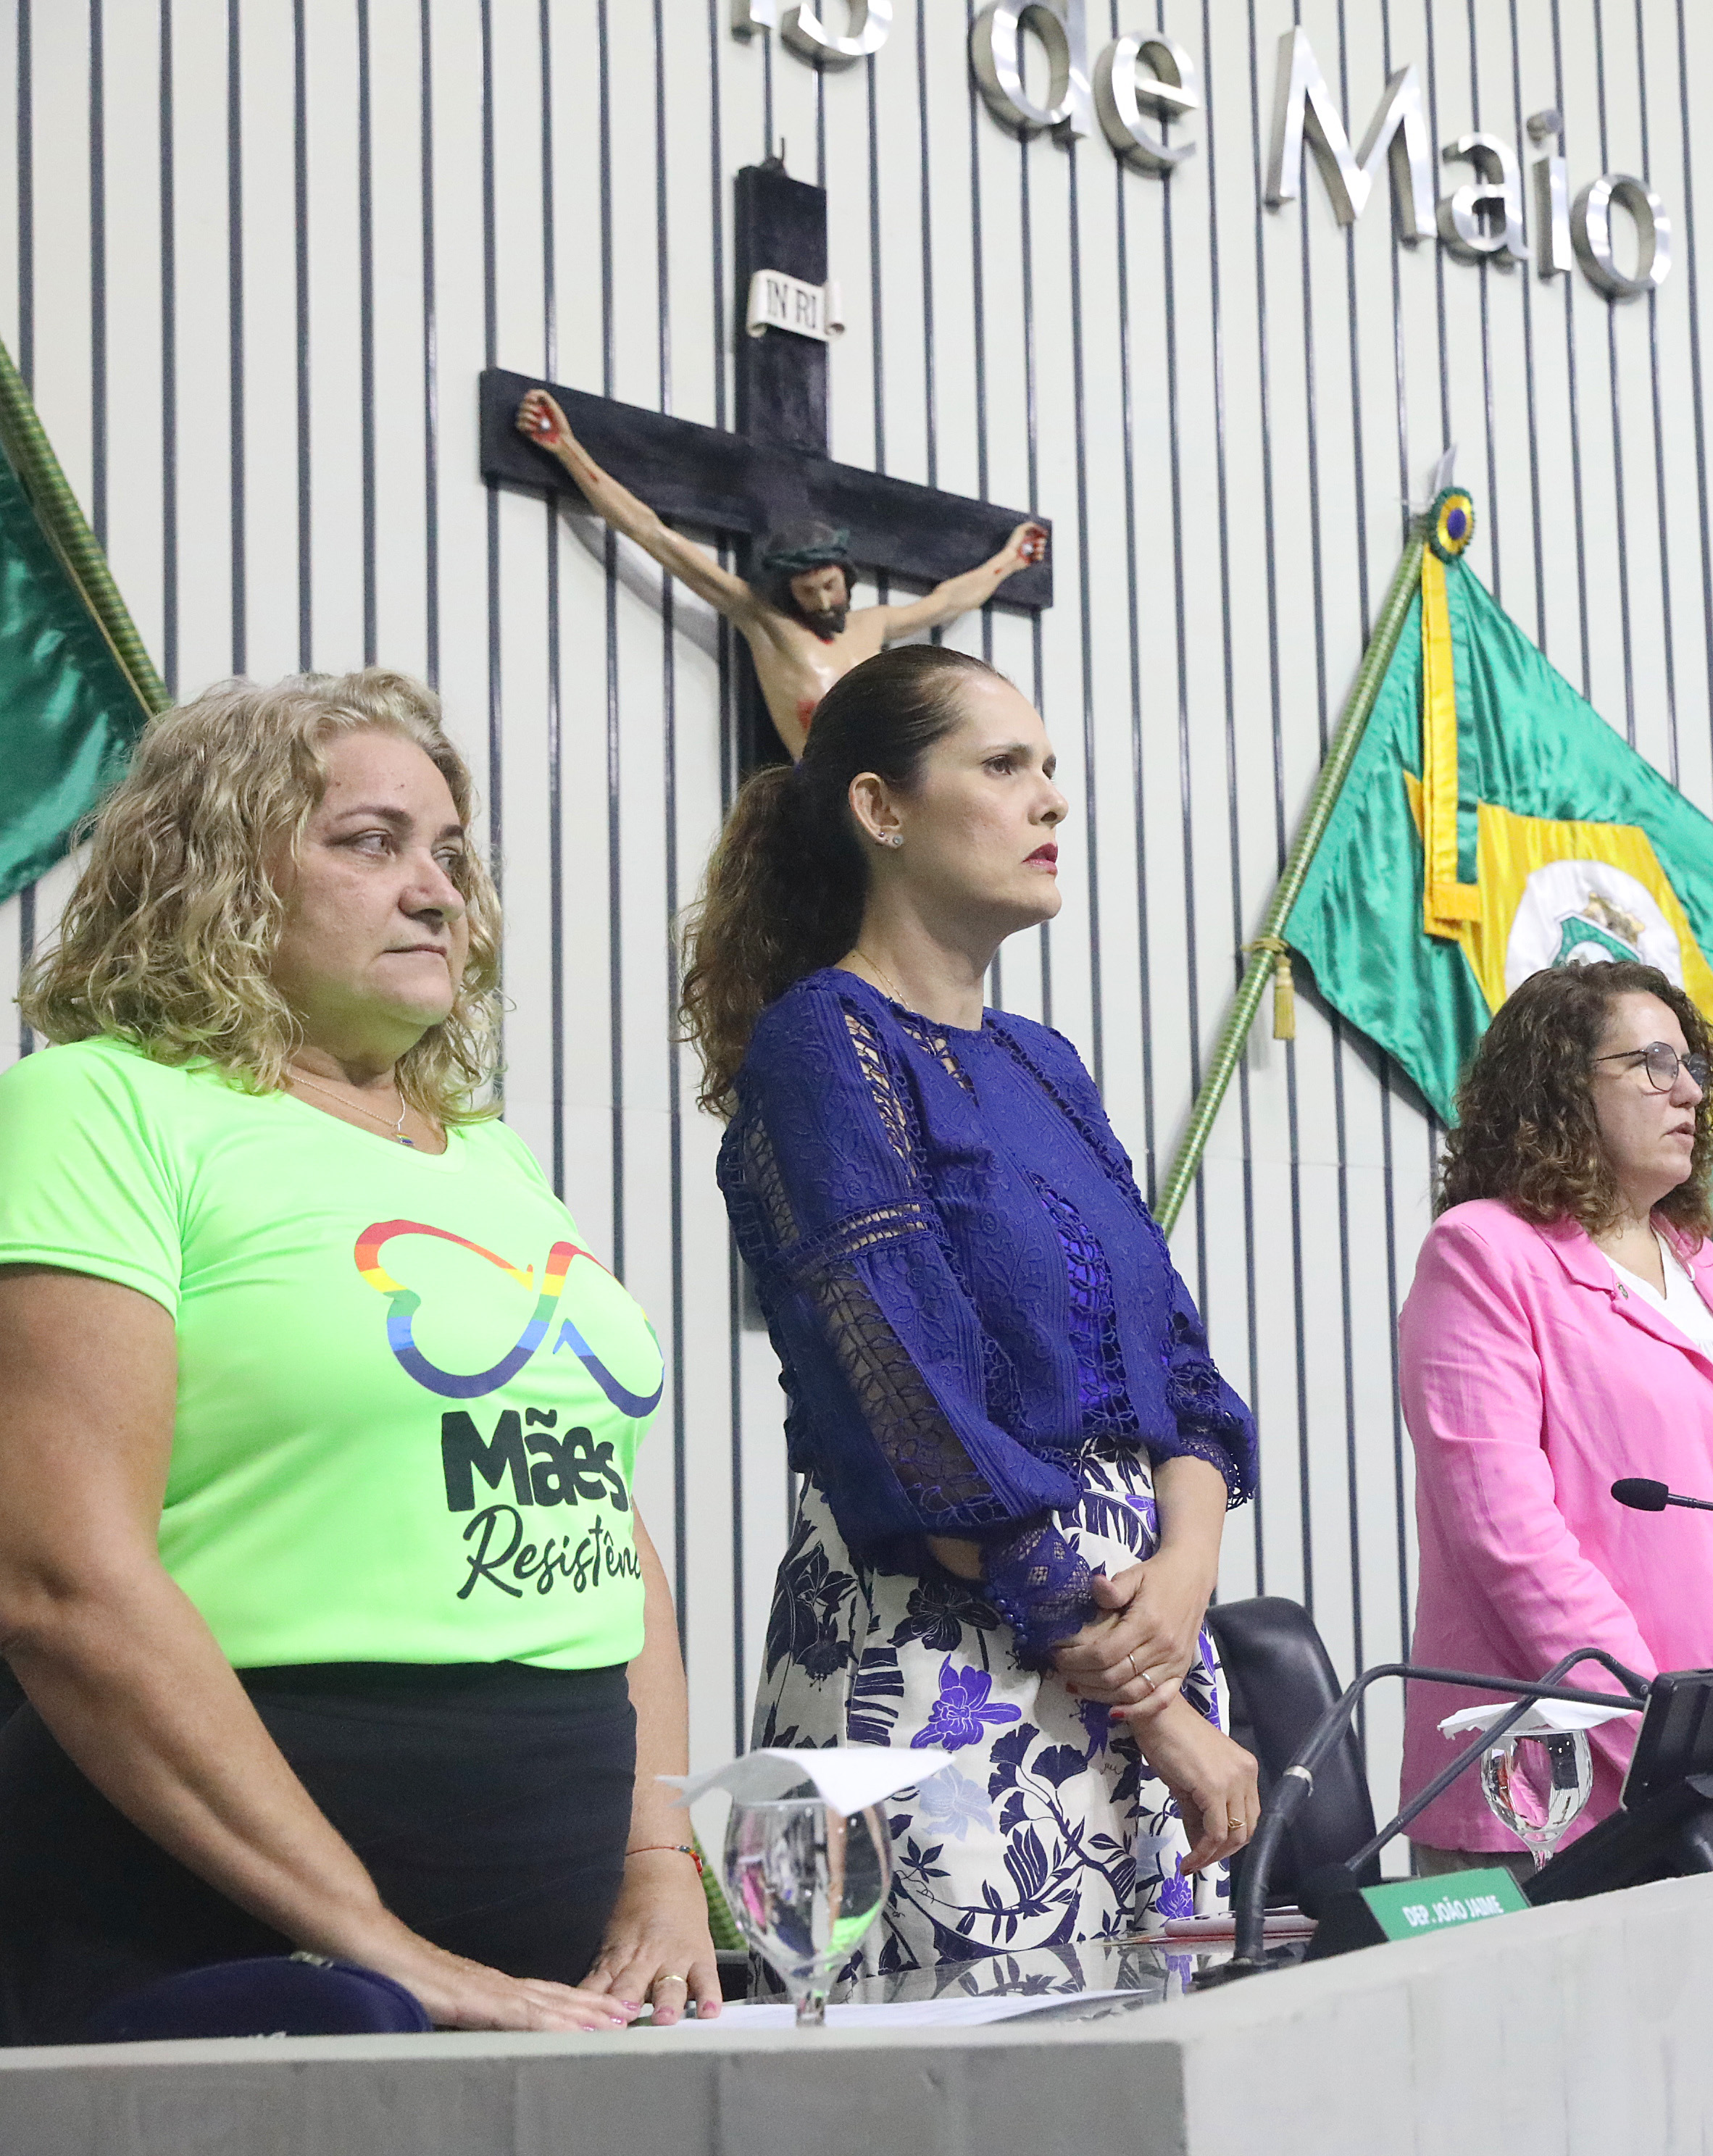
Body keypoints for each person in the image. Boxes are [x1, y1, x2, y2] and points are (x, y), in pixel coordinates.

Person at [0, 672, 707, 2042]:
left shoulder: (489, 1158)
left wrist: (657, 1863)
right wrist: (383, 1946)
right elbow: (60, 1582)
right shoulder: (102, 1106)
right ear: (217, 872)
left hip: (554, 1963)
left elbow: (599, 1521)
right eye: (370, 841)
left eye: (449, 851)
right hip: (222, 1944)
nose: (439, 890)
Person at [691, 644, 1261, 1973]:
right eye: (1004, 767)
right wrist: (1148, 1697)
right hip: (954, 1657)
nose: (1049, 800)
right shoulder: (824, 1041)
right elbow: (911, 1414)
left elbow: (1178, 1367)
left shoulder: (1042, 1063)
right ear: (880, 809)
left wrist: (1183, 1581)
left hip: (1132, 1639)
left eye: (1050, 769)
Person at [1396, 961, 1713, 1876]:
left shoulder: (1699, 1261)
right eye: (1653, 1063)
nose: (1691, 1090)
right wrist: (1664, 1747)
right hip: (1557, 1791)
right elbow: (1510, 1540)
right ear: (1560, 1087)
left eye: (1692, 1065)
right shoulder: (1482, 1253)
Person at [515, 387, 1046, 757]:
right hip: (814, 790)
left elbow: (949, 601)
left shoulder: (873, 626)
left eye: (829, 586)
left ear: (846, 577)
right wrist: (567, 448)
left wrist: (1010, 559)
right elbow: (654, 535)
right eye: (807, 590)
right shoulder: (763, 618)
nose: (820, 600)